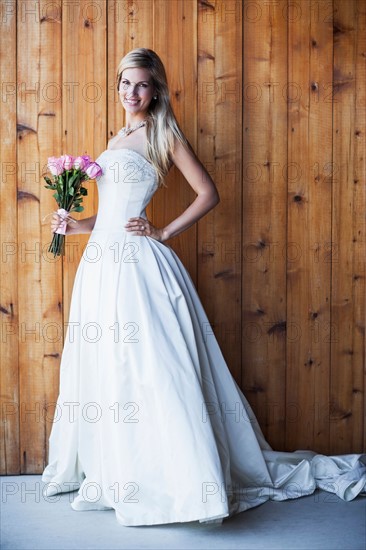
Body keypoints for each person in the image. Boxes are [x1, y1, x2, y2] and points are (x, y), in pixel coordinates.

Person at [42, 48, 366, 527]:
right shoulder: (117, 137)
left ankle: (177, 480)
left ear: (156, 90)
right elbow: (109, 215)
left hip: (137, 265)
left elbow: (208, 193)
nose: (132, 92)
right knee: (110, 364)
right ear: (117, 88)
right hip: (100, 264)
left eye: (142, 84)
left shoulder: (163, 133)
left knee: (153, 366)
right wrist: (75, 225)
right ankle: (119, 468)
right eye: (125, 83)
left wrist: (163, 232)